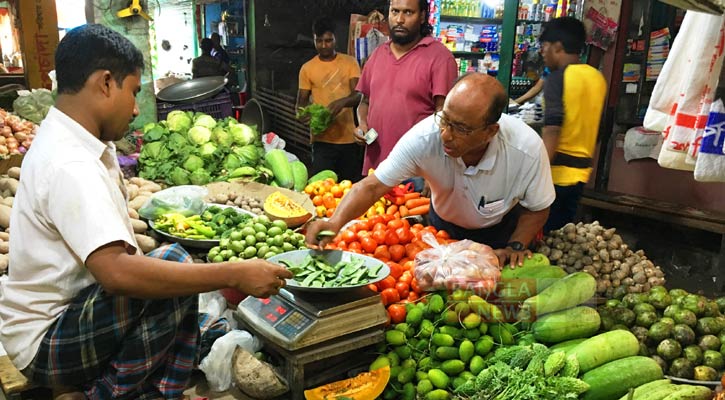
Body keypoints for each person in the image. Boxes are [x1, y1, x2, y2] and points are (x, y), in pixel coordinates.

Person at [0, 24, 292, 400]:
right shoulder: (70, 162)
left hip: (67, 320)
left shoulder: (74, 142)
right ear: (106, 83)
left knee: (178, 286)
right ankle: (106, 394)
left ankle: (155, 389)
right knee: (172, 265)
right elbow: (119, 274)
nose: (137, 109)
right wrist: (234, 273)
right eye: (134, 92)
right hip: (47, 344)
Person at [307, 73, 555, 268]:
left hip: (499, 234)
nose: (446, 135)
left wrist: (515, 245)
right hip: (442, 230)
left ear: (490, 131)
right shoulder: (425, 137)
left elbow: (538, 206)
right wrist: (334, 223)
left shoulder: (526, 149)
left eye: (461, 129)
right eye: (444, 119)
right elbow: (372, 187)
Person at [355, 0, 458, 176]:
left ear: (423, 16)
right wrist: (362, 125)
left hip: (417, 171)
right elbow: (364, 103)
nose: (399, 19)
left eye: (408, 12)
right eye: (395, 11)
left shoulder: (440, 58)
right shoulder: (378, 55)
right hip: (376, 169)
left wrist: (437, 168)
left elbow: (446, 117)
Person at [539, 17, 607, 232]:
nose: (542, 53)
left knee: (542, 234)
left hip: (555, 174)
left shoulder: (558, 79)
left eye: (545, 47)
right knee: (562, 235)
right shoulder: (597, 78)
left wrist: (537, 171)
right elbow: (598, 128)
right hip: (581, 175)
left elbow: (553, 128)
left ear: (557, 47)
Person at [296, 17, 363, 182]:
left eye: (328, 40)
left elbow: (359, 94)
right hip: (321, 141)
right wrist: (302, 115)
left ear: (335, 39)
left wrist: (341, 103)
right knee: (321, 186)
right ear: (314, 40)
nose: (324, 45)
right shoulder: (307, 68)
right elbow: (301, 104)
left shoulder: (350, 63)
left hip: (348, 139)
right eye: (319, 41)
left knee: (349, 187)